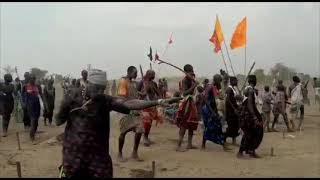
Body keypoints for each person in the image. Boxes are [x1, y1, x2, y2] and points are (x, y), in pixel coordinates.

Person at [55, 69, 180, 178]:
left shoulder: (104, 100)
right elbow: (58, 120)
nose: (98, 91)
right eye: (96, 87)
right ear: (88, 83)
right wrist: (66, 108)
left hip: (98, 158)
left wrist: (159, 101)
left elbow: (128, 103)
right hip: (74, 155)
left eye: (101, 88)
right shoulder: (72, 97)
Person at [117, 66, 144, 162]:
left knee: (140, 130)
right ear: (130, 72)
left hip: (135, 110)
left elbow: (135, 94)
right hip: (125, 111)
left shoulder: (133, 83)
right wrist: (130, 109)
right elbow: (122, 98)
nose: (136, 75)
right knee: (123, 132)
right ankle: (120, 153)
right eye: (135, 73)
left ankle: (134, 153)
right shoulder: (123, 82)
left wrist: (141, 94)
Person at [201, 74, 231, 151]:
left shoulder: (214, 87)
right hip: (208, 110)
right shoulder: (210, 87)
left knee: (214, 127)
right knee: (213, 127)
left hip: (212, 110)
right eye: (219, 81)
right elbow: (206, 100)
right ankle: (222, 145)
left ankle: (204, 145)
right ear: (216, 80)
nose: (220, 83)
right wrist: (212, 112)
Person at [237, 75, 264, 158]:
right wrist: (255, 117)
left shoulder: (246, 89)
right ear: (255, 81)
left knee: (250, 134)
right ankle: (244, 151)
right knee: (253, 133)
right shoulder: (251, 91)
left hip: (246, 115)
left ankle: (249, 151)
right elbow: (250, 105)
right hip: (248, 116)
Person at [175, 64, 199, 151]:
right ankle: (179, 145)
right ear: (186, 72)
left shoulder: (191, 80)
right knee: (184, 124)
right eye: (191, 71)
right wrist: (194, 85)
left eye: (193, 71)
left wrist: (195, 84)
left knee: (191, 123)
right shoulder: (185, 80)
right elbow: (184, 93)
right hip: (186, 104)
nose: (192, 72)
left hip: (191, 103)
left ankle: (189, 144)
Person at [137, 70, 162, 147]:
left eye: (154, 74)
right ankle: (144, 138)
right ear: (148, 75)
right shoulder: (142, 82)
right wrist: (142, 93)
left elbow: (158, 93)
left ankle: (146, 137)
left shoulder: (154, 83)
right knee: (146, 122)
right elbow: (137, 91)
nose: (154, 76)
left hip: (152, 104)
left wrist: (160, 98)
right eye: (152, 74)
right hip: (144, 104)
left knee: (150, 123)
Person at [24, 74, 44, 143]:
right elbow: (25, 97)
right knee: (33, 120)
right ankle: (31, 135)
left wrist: (43, 104)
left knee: (36, 121)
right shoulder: (26, 86)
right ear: (29, 79)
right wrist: (25, 105)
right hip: (30, 106)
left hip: (37, 105)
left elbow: (41, 95)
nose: (32, 80)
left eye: (33, 79)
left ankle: (33, 132)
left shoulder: (38, 86)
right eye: (31, 79)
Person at [224, 76, 240, 145]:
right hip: (230, 112)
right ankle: (224, 138)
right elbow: (228, 100)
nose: (237, 82)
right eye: (236, 81)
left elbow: (233, 99)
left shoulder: (233, 89)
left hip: (234, 111)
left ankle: (234, 141)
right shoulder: (229, 89)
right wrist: (234, 109)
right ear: (232, 81)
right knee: (231, 126)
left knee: (235, 126)